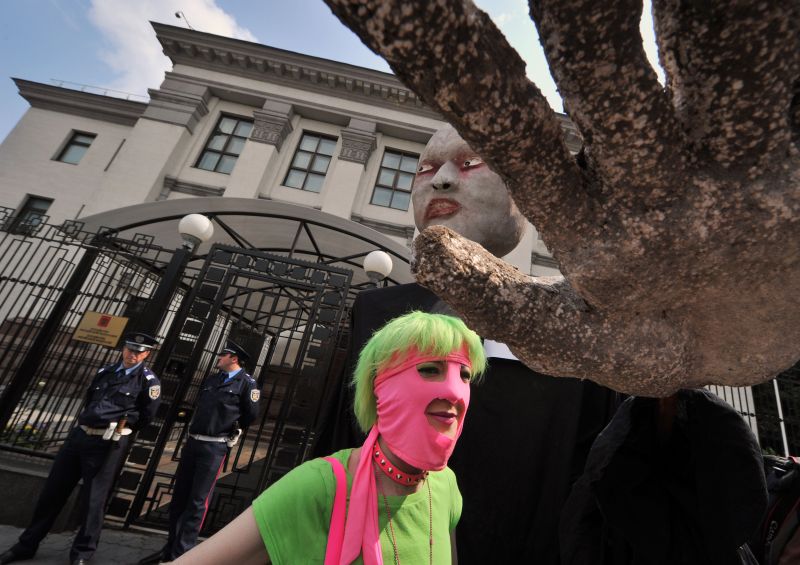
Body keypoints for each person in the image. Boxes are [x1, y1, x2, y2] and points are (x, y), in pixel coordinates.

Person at [315, 123, 620, 565]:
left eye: (470, 162)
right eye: (426, 168)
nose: (440, 180)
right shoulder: (374, 312)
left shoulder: (576, 323)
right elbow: (337, 442)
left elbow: (599, 476)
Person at [167, 311, 486, 564]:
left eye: (465, 376)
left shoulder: (445, 486)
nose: (455, 392)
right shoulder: (320, 485)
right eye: (430, 369)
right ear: (379, 389)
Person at [0, 332, 161, 565]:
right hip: (79, 437)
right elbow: (89, 401)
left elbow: (147, 416)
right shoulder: (105, 372)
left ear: (147, 354)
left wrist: (118, 430)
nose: (132, 354)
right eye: (129, 349)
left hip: (107, 443)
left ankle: (82, 554)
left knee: (93, 500)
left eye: (138, 351)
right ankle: (26, 545)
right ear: (123, 348)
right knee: (52, 493)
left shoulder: (148, 382)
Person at [139, 340, 260, 564]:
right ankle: (170, 549)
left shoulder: (247, 384)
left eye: (223, 355)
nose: (219, 357)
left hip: (214, 445)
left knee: (197, 501)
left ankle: (183, 555)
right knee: (180, 497)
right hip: (194, 442)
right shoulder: (213, 379)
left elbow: (249, 415)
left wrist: (226, 429)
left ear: (234, 359)